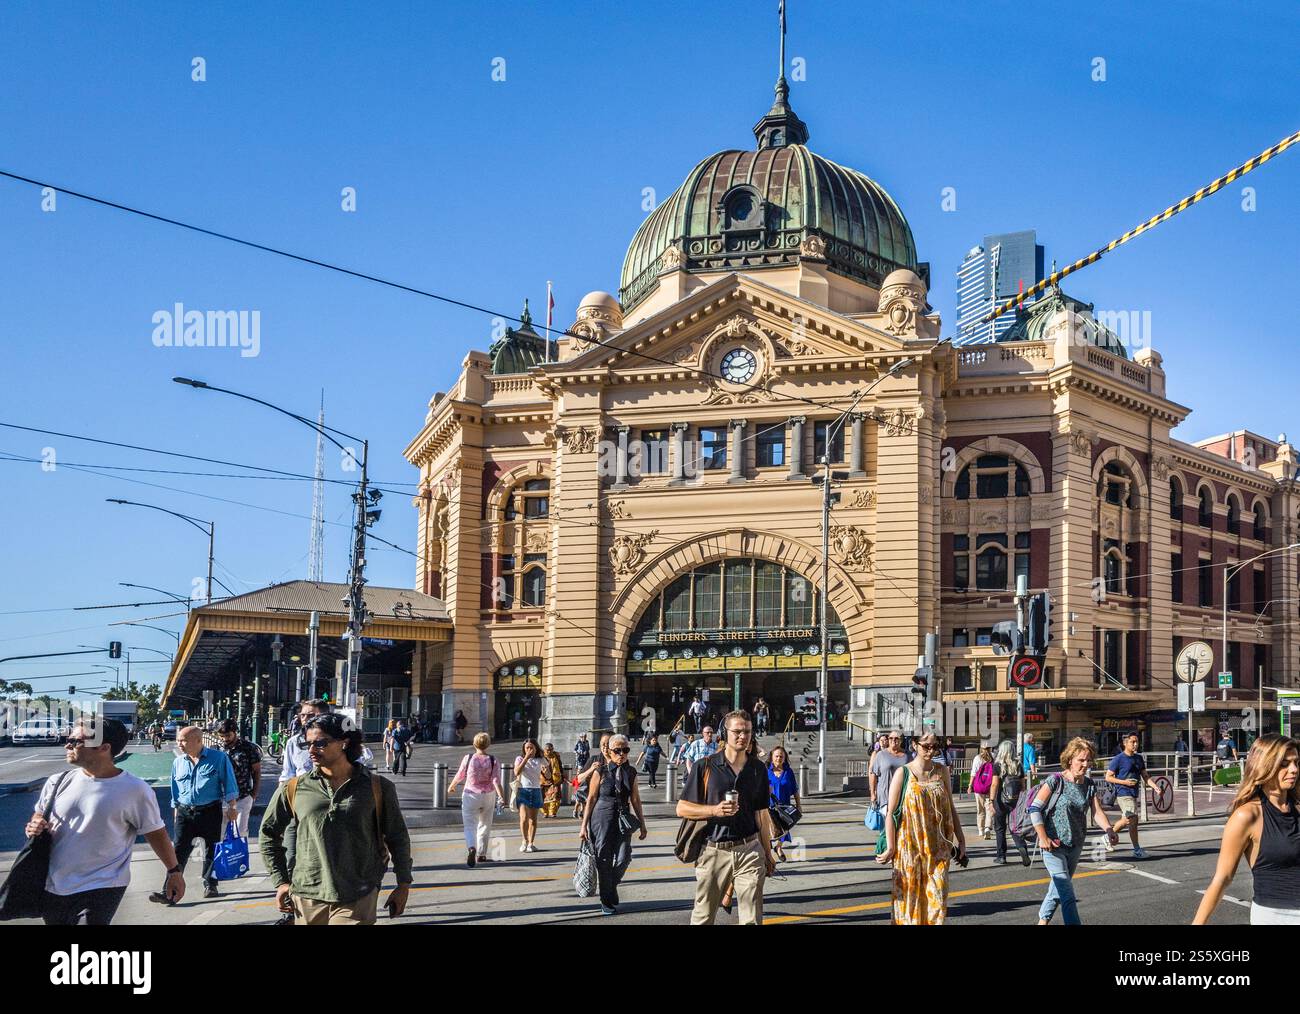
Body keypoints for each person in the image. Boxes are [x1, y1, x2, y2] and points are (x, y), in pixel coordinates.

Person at [24, 718, 183, 925]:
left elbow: (156, 833)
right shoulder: (58, 781)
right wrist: (35, 824)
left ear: (104, 747)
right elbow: (39, 814)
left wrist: (174, 872)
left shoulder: (134, 789)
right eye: (68, 739)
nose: (67, 745)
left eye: (76, 741)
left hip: (104, 884)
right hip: (55, 883)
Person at [259, 713, 413, 925]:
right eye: (308, 744)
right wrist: (281, 881)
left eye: (320, 743)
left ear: (345, 742)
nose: (312, 750)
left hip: (358, 892)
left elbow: (397, 836)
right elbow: (268, 833)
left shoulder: (377, 787)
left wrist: (403, 883)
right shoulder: (294, 788)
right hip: (306, 894)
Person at [676, 710, 777, 925]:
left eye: (747, 732)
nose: (743, 736)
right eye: (737, 731)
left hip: (749, 850)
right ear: (724, 733)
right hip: (713, 851)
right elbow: (682, 808)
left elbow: (761, 815)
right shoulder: (704, 766)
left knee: (752, 919)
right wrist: (714, 811)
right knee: (703, 917)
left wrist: (767, 853)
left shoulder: (758, 769)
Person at [1194, 734, 1300, 924]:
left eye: (1296, 762)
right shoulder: (1247, 816)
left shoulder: (1298, 808)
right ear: (1265, 765)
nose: (1293, 770)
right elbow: (1222, 878)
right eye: (1284, 764)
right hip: (1276, 917)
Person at [876, 731, 965, 924]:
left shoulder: (942, 771)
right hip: (909, 848)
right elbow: (891, 813)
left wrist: (961, 840)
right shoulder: (904, 773)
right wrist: (891, 848)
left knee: (937, 902)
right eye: (926, 746)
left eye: (935, 746)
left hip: (938, 849)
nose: (931, 751)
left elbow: (950, 806)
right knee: (910, 904)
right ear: (915, 745)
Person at [1030, 737, 1119, 925]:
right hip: (1053, 845)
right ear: (1070, 759)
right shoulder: (1055, 781)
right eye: (1081, 760)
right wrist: (1043, 837)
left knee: (1058, 888)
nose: (1085, 764)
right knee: (1067, 894)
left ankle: (1042, 922)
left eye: (1088, 760)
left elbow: (1096, 811)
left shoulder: (1089, 784)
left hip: (1075, 844)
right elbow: (1034, 809)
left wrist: (1109, 829)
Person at [147, 726, 236, 905]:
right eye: (178, 740)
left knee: (211, 849)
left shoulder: (218, 758)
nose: (179, 743)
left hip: (210, 811)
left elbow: (229, 783)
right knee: (178, 852)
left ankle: (210, 884)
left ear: (198, 740)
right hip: (184, 812)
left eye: (183, 740)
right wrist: (175, 811)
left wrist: (232, 806)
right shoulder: (178, 762)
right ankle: (168, 891)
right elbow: (175, 790)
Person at [580, 733, 646, 915]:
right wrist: (583, 825)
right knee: (604, 859)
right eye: (617, 750)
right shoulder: (600, 771)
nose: (622, 754)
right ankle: (606, 901)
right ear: (609, 751)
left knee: (624, 857)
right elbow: (591, 798)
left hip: (623, 819)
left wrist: (642, 823)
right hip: (601, 818)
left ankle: (611, 885)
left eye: (625, 750)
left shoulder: (631, 772)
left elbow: (636, 799)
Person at [448, 732, 506, 867]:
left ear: (474, 744)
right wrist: (502, 796)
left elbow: (460, 774)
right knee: (485, 825)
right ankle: (481, 854)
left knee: (469, 825)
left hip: (470, 794)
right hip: (488, 795)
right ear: (488, 745)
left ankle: (471, 847)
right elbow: (496, 780)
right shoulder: (493, 760)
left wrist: (452, 786)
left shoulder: (468, 758)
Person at [1106, 731, 1151, 858]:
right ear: (1125, 743)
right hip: (1123, 793)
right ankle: (1137, 849)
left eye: (1137, 742)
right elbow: (1108, 777)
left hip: (1133, 793)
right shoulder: (1118, 759)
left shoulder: (1138, 758)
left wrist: (1156, 787)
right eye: (1133, 742)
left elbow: (1145, 776)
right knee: (1133, 819)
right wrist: (1124, 782)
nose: (1135, 744)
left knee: (1126, 820)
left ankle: (1107, 837)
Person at [216, 718, 261, 840]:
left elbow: (256, 771)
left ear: (235, 732)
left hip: (243, 796)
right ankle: (221, 859)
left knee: (240, 833)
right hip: (221, 797)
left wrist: (254, 794)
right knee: (219, 834)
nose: (225, 739)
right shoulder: (216, 748)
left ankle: (239, 858)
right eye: (221, 736)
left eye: (228, 735)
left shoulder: (249, 748)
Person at [988, 739, 1030, 866]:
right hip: (1016, 801)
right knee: (1015, 827)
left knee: (1000, 829)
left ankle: (1001, 856)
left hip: (1000, 801)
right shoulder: (1018, 765)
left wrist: (991, 801)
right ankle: (1021, 847)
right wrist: (1023, 801)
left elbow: (995, 784)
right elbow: (1023, 786)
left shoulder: (997, 765)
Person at [870, 731, 908, 852]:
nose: (893, 740)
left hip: (903, 796)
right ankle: (886, 850)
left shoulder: (908, 756)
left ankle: (898, 850)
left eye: (896, 738)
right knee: (888, 826)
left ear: (901, 740)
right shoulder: (881, 755)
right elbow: (873, 774)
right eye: (890, 738)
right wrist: (873, 793)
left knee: (902, 826)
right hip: (885, 797)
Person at [766, 745, 799, 862]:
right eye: (776, 756)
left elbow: (795, 789)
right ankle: (768, 855)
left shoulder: (788, 772)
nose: (778, 758)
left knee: (785, 828)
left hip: (784, 805)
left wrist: (798, 805)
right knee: (769, 830)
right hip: (769, 807)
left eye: (781, 756)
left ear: (784, 758)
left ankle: (778, 848)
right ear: (772, 757)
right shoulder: (766, 771)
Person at [514, 738, 545, 852]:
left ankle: (531, 843)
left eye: (531, 747)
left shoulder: (540, 759)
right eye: (527, 747)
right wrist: (526, 758)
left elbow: (548, 773)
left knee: (533, 819)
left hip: (536, 790)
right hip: (523, 790)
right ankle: (524, 841)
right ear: (524, 749)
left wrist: (546, 771)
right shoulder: (520, 758)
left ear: (536, 748)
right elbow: (517, 772)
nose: (529, 749)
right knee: (523, 818)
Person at [573, 734, 610, 820]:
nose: (605, 746)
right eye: (602, 744)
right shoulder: (594, 759)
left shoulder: (619, 761)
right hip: (595, 803)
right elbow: (578, 779)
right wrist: (591, 769)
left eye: (608, 744)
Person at [970, 744, 995, 840]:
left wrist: (970, 785)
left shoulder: (977, 758)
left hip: (979, 787)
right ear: (990, 748)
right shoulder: (994, 757)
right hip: (990, 786)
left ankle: (980, 829)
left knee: (980, 809)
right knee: (989, 808)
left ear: (981, 748)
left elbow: (973, 772)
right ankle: (987, 827)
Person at [541, 743, 564, 818]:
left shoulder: (556, 756)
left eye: (551, 750)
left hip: (555, 779)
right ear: (544, 750)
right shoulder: (540, 757)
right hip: (543, 780)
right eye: (547, 750)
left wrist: (562, 775)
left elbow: (560, 766)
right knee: (543, 797)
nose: (549, 752)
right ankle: (545, 812)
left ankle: (552, 812)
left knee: (555, 797)